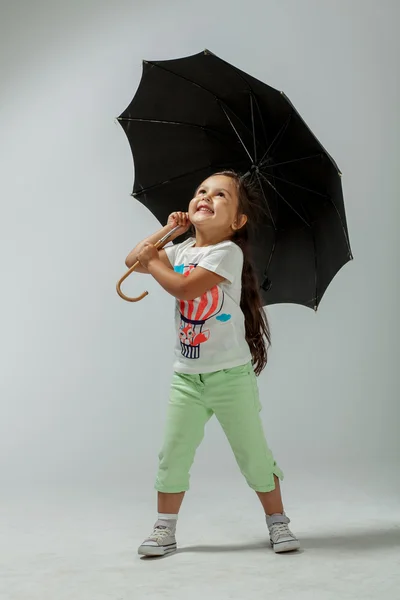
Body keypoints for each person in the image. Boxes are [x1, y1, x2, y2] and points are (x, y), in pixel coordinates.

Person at [125, 170, 300, 556]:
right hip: (187, 379)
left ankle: (278, 522)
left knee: (253, 455)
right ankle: (164, 529)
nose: (206, 197)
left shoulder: (227, 253)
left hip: (229, 377)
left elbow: (184, 288)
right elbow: (133, 260)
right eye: (202, 191)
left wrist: (154, 261)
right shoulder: (179, 247)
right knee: (173, 454)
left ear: (237, 222)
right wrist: (165, 234)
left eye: (220, 195)